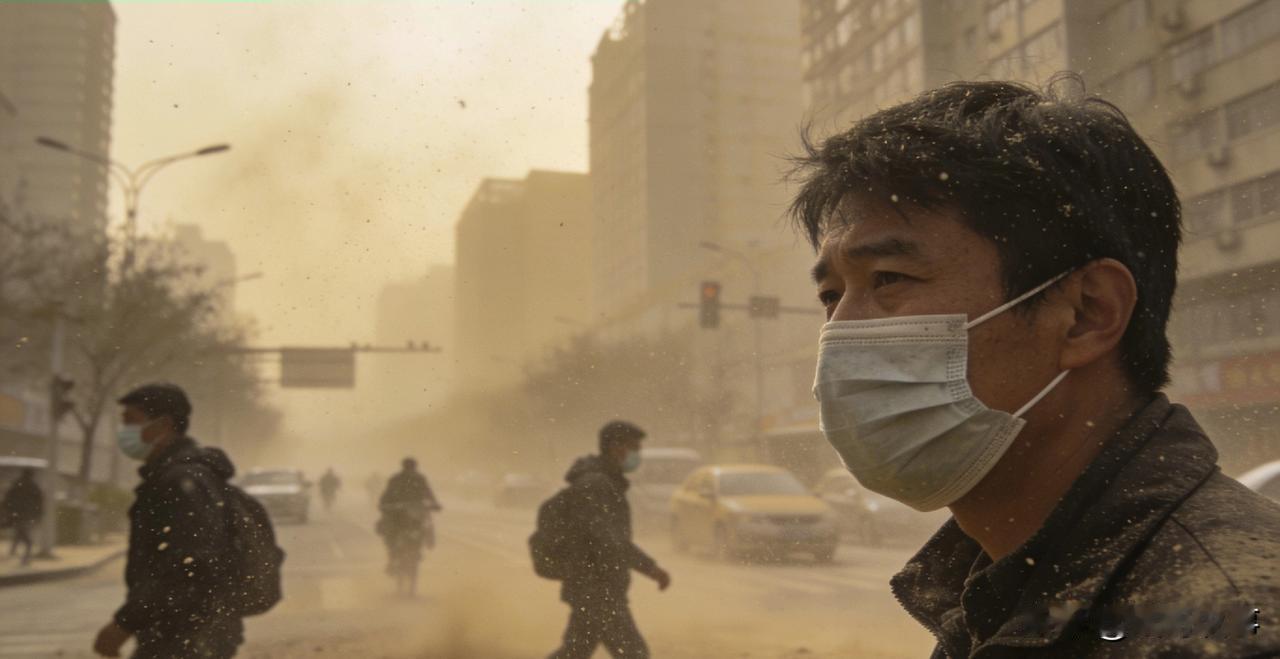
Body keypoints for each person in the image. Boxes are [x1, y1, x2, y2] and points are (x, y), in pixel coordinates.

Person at [791, 74, 1280, 657]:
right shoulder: (998, 587)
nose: (839, 331)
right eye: (831, 295)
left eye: (889, 279)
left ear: (1086, 314)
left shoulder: (1228, 624)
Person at [94, 383, 245, 659]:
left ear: (163, 425)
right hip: (185, 630)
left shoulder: (179, 481)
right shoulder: (175, 476)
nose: (124, 431)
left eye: (130, 420)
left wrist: (124, 624)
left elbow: (186, 563)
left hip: (187, 632)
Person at [548, 421, 671, 659]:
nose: (637, 456)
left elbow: (610, 538)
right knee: (634, 655)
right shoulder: (596, 485)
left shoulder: (604, 482)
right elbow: (609, 541)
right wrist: (650, 568)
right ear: (616, 447)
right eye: (634, 448)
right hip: (598, 589)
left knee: (575, 652)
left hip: (593, 587)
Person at [377, 458, 441, 561]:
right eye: (409, 467)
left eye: (411, 467)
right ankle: (392, 550)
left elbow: (428, 492)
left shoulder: (416, 479)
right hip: (399, 510)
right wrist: (385, 505)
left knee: (427, 523)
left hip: (413, 510)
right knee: (389, 526)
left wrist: (434, 503)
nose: (410, 470)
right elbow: (387, 494)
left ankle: (428, 541)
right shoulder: (401, 479)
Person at [1, 468, 43, 565]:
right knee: (25, 537)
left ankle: (13, 553)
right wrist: (38, 515)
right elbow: (39, 503)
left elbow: (7, 498)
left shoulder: (17, 484)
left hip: (16, 514)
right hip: (26, 516)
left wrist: (6, 510)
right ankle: (25, 559)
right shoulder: (33, 487)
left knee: (20, 532)